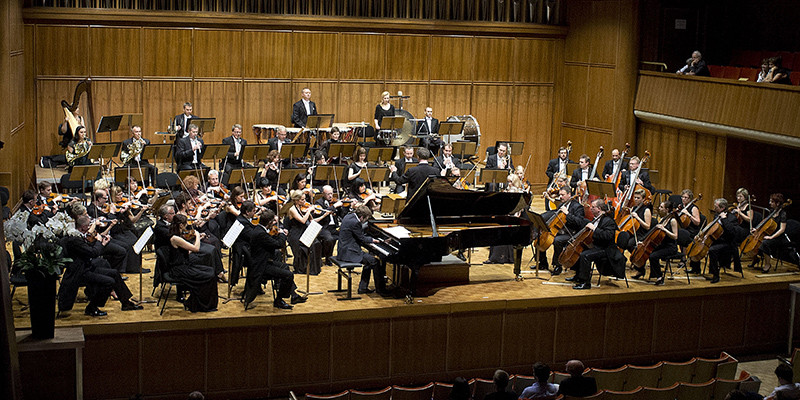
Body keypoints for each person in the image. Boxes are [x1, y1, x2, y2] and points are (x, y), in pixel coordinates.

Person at [58, 215, 143, 316]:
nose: (91, 227)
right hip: (80, 272)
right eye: (89, 225)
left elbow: (89, 248)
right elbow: (93, 253)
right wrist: (100, 243)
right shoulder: (74, 240)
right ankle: (92, 308)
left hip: (87, 267)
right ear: (83, 227)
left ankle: (126, 303)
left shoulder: (79, 236)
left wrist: (100, 241)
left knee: (115, 273)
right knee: (108, 282)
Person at [245, 209, 306, 310]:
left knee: (285, 267)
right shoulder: (261, 234)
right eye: (273, 221)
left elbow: (271, 242)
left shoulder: (259, 229)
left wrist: (278, 235)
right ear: (269, 222)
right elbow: (279, 245)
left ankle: (293, 295)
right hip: (261, 266)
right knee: (288, 275)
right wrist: (282, 234)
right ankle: (279, 300)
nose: (274, 224)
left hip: (263, 261)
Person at [569, 199, 626, 290]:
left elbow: (607, 236)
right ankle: (578, 276)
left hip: (606, 249)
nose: (590, 209)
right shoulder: (597, 218)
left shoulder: (608, 221)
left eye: (593, 207)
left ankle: (586, 283)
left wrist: (594, 229)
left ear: (599, 208)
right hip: (597, 245)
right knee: (579, 250)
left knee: (585, 255)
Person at [167, 214, 219, 312]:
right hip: (179, 269)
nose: (187, 225)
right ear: (181, 225)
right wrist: (198, 236)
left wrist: (195, 239)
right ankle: (202, 305)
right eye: (185, 223)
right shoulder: (175, 238)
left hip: (184, 264)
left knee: (211, 270)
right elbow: (196, 249)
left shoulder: (178, 235)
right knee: (208, 275)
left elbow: (187, 251)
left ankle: (198, 302)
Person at [337, 205, 388, 295]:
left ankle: (363, 288)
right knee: (374, 261)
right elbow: (362, 238)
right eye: (366, 219)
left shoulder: (348, 216)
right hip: (350, 252)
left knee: (369, 261)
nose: (366, 221)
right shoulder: (355, 223)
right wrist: (376, 240)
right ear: (361, 217)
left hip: (342, 250)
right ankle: (381, 289)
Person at [536, 187, 587, 275]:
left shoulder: (578, 207)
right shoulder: (561, 205)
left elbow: (579, 222)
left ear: (569, 195)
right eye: (560, 195)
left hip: (571, 233)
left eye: (563, 195)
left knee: (557, 241)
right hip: (560, 230)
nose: (560, 197)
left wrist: (567, 214)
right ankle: (543, 263)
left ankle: (557, 266)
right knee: (540, 236)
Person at [636, 200, 679, 285]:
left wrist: (664, 229)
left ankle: (660, 277)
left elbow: (675, 236)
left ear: (667, 209)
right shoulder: (663, 219)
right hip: (663, 245)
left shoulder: (672, 221)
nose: (659, 208)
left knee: (653, 256)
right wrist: (643, 241)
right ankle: (652, 274)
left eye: (661, 207)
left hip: (670, 247)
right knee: (649, 252)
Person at [286, 190, 325, 275]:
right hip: (296, 234)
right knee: (309, 246)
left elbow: (310, 220)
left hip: (303, 231)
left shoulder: (302, 207)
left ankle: (313, 268)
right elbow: (303, 221)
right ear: (296, 200)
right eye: (302, 200)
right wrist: (309, 210)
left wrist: (314, 213)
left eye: (304, 199)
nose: (305, 201)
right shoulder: (292, 209)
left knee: (317, 243)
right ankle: (303, 268)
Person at [705, 198, 744, 283]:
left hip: (728, 243)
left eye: (716, 207)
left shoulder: (732, 218)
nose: (714, 208)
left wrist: (724, 219)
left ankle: (716, 276)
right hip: (718, 240)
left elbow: (731, 232)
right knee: (709, 247)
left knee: (712, 250)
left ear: (722, 208)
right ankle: (712, 272)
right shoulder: (716, 215)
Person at [749, 193, 789, 273]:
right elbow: (765, 224)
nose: (769, 203)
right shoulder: (772, 211)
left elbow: (782, 229)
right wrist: (756, 229)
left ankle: (767, 264)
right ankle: (755, 258)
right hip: (769, 234)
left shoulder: (782, 214)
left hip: (778, 237)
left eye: (772, 201)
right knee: (752, 241)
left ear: (777, 203)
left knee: (764, 243)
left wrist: (771, 237)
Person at [316, 185, 345, 264]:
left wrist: (341, 207)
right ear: (323, 194)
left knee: (345, 235)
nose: (330, 196)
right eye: (328, 194)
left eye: (331, 193)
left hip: (333, 226)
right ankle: (326, 256)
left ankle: (339, 257)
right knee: (329, 239)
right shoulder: (318, 202)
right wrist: (334, 206)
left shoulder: (334, 201)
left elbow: (341, 215)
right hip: (324, 227)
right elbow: (322, 212)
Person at [678, 189, 703, 274]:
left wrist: (688, 214)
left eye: (686, 197)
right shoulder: (681, 206)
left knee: (682, 235)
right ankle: (683, 257)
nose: (683, 199)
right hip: (685, 229)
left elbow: (697, 222)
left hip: (692, 230)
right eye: (682, 197)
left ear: (690, 199)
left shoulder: (694, 208)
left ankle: (683, 258)